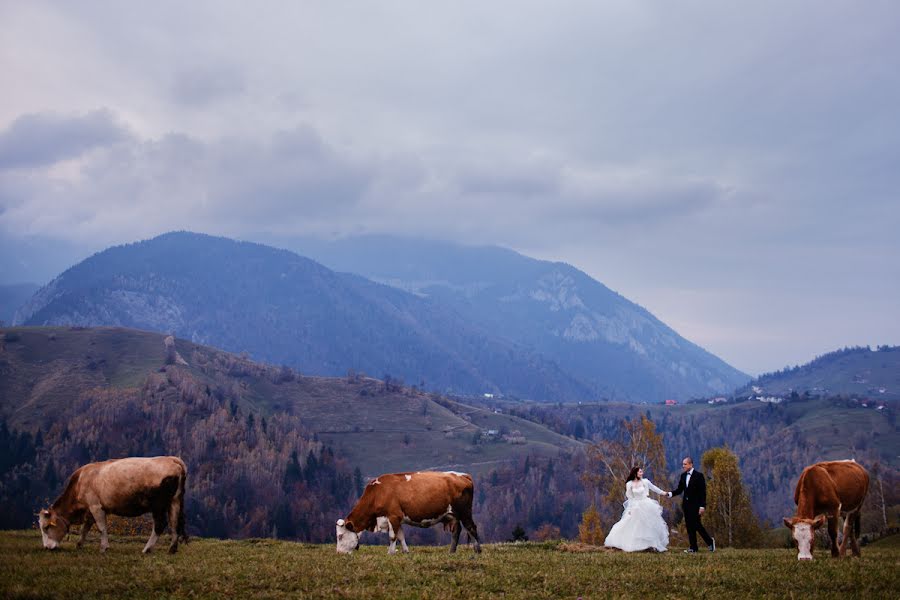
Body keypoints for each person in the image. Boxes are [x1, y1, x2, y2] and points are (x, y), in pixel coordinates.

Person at [603, 466, 670, 552]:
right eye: (640, 472)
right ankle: (633, 544)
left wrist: (664, 493)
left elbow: (654, 488)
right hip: (636, 505)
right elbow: (630, 497)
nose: (642, 473)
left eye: (642, 472)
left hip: (646, 504)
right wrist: (630, 508)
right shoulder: (629, 484)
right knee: (632, 524)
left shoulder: (645, 482)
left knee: (648, 525)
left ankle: (650, 545)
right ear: (635, 473)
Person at [668, 456, 715, 553]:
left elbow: (703, 492)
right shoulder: (683, 476)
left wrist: (702, 506)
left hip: (696, 505)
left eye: (685, 464)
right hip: (686, 505)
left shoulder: (699, 476)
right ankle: (693, 548)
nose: (683, 466)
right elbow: (680, 490)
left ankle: (710, 541)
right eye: (683, 464)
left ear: (690, 464)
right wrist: (670, 494)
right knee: (689, 526)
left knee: (697, 524)